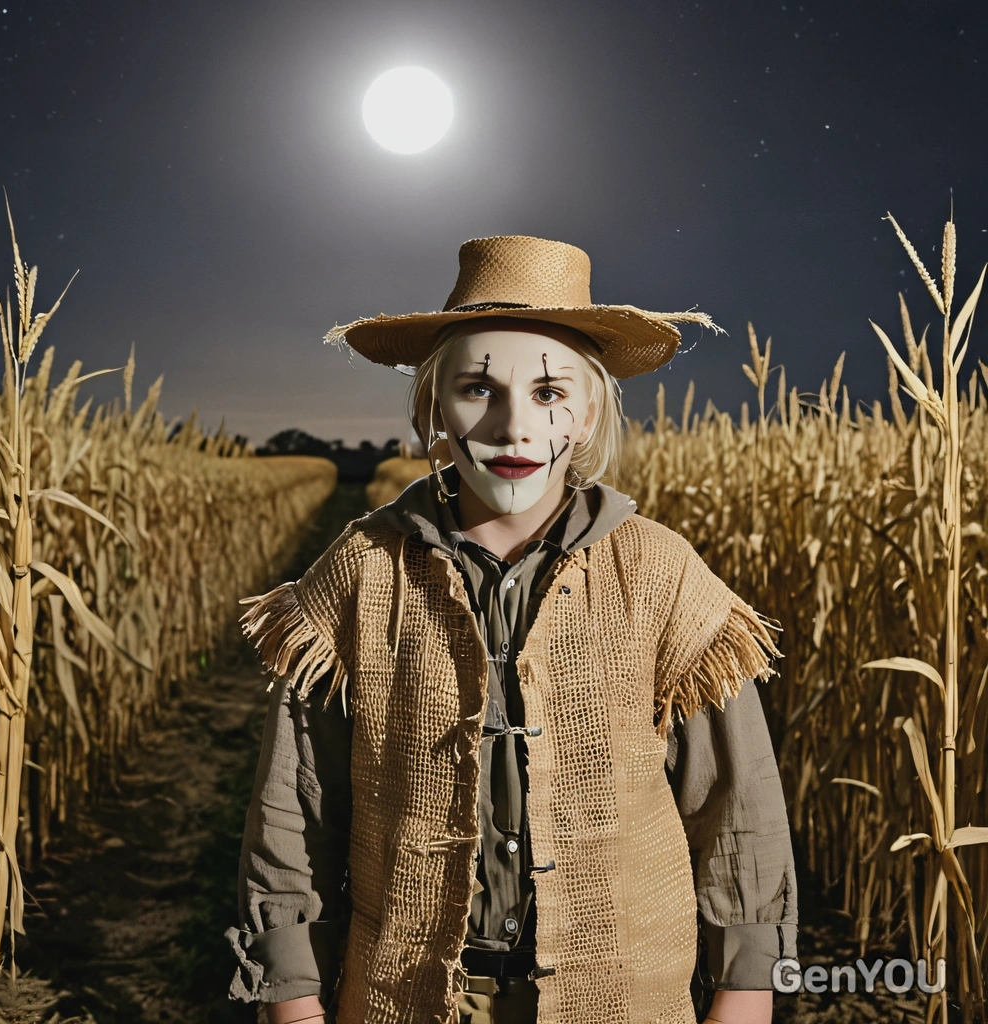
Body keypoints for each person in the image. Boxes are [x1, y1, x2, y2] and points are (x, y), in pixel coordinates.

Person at [225, 235, 798, 1024]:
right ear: (432, 408)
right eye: (476, 389)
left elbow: (738, 808)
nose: (512, 425)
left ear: (590, 409)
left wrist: (744, 991)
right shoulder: (359, 573)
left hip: (625, 997)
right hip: (404, 997)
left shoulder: (663, 574)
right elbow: (294, 808)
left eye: (550, 391)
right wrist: (292, 996)